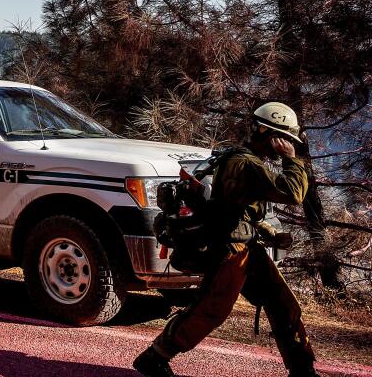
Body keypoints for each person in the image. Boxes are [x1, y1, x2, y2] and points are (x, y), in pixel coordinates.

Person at [133, 102, 318, 377]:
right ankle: (155, 357)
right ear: (271, 135)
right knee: (211, 309)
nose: (286, 145)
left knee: (283, 304)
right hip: (229, 251)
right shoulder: (245, 164)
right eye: (285, 139)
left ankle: (303, 370)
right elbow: (292, 193)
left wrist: (265, 231)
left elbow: (236, 208)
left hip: (244, 248)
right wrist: (292, 158)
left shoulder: (237, 158)